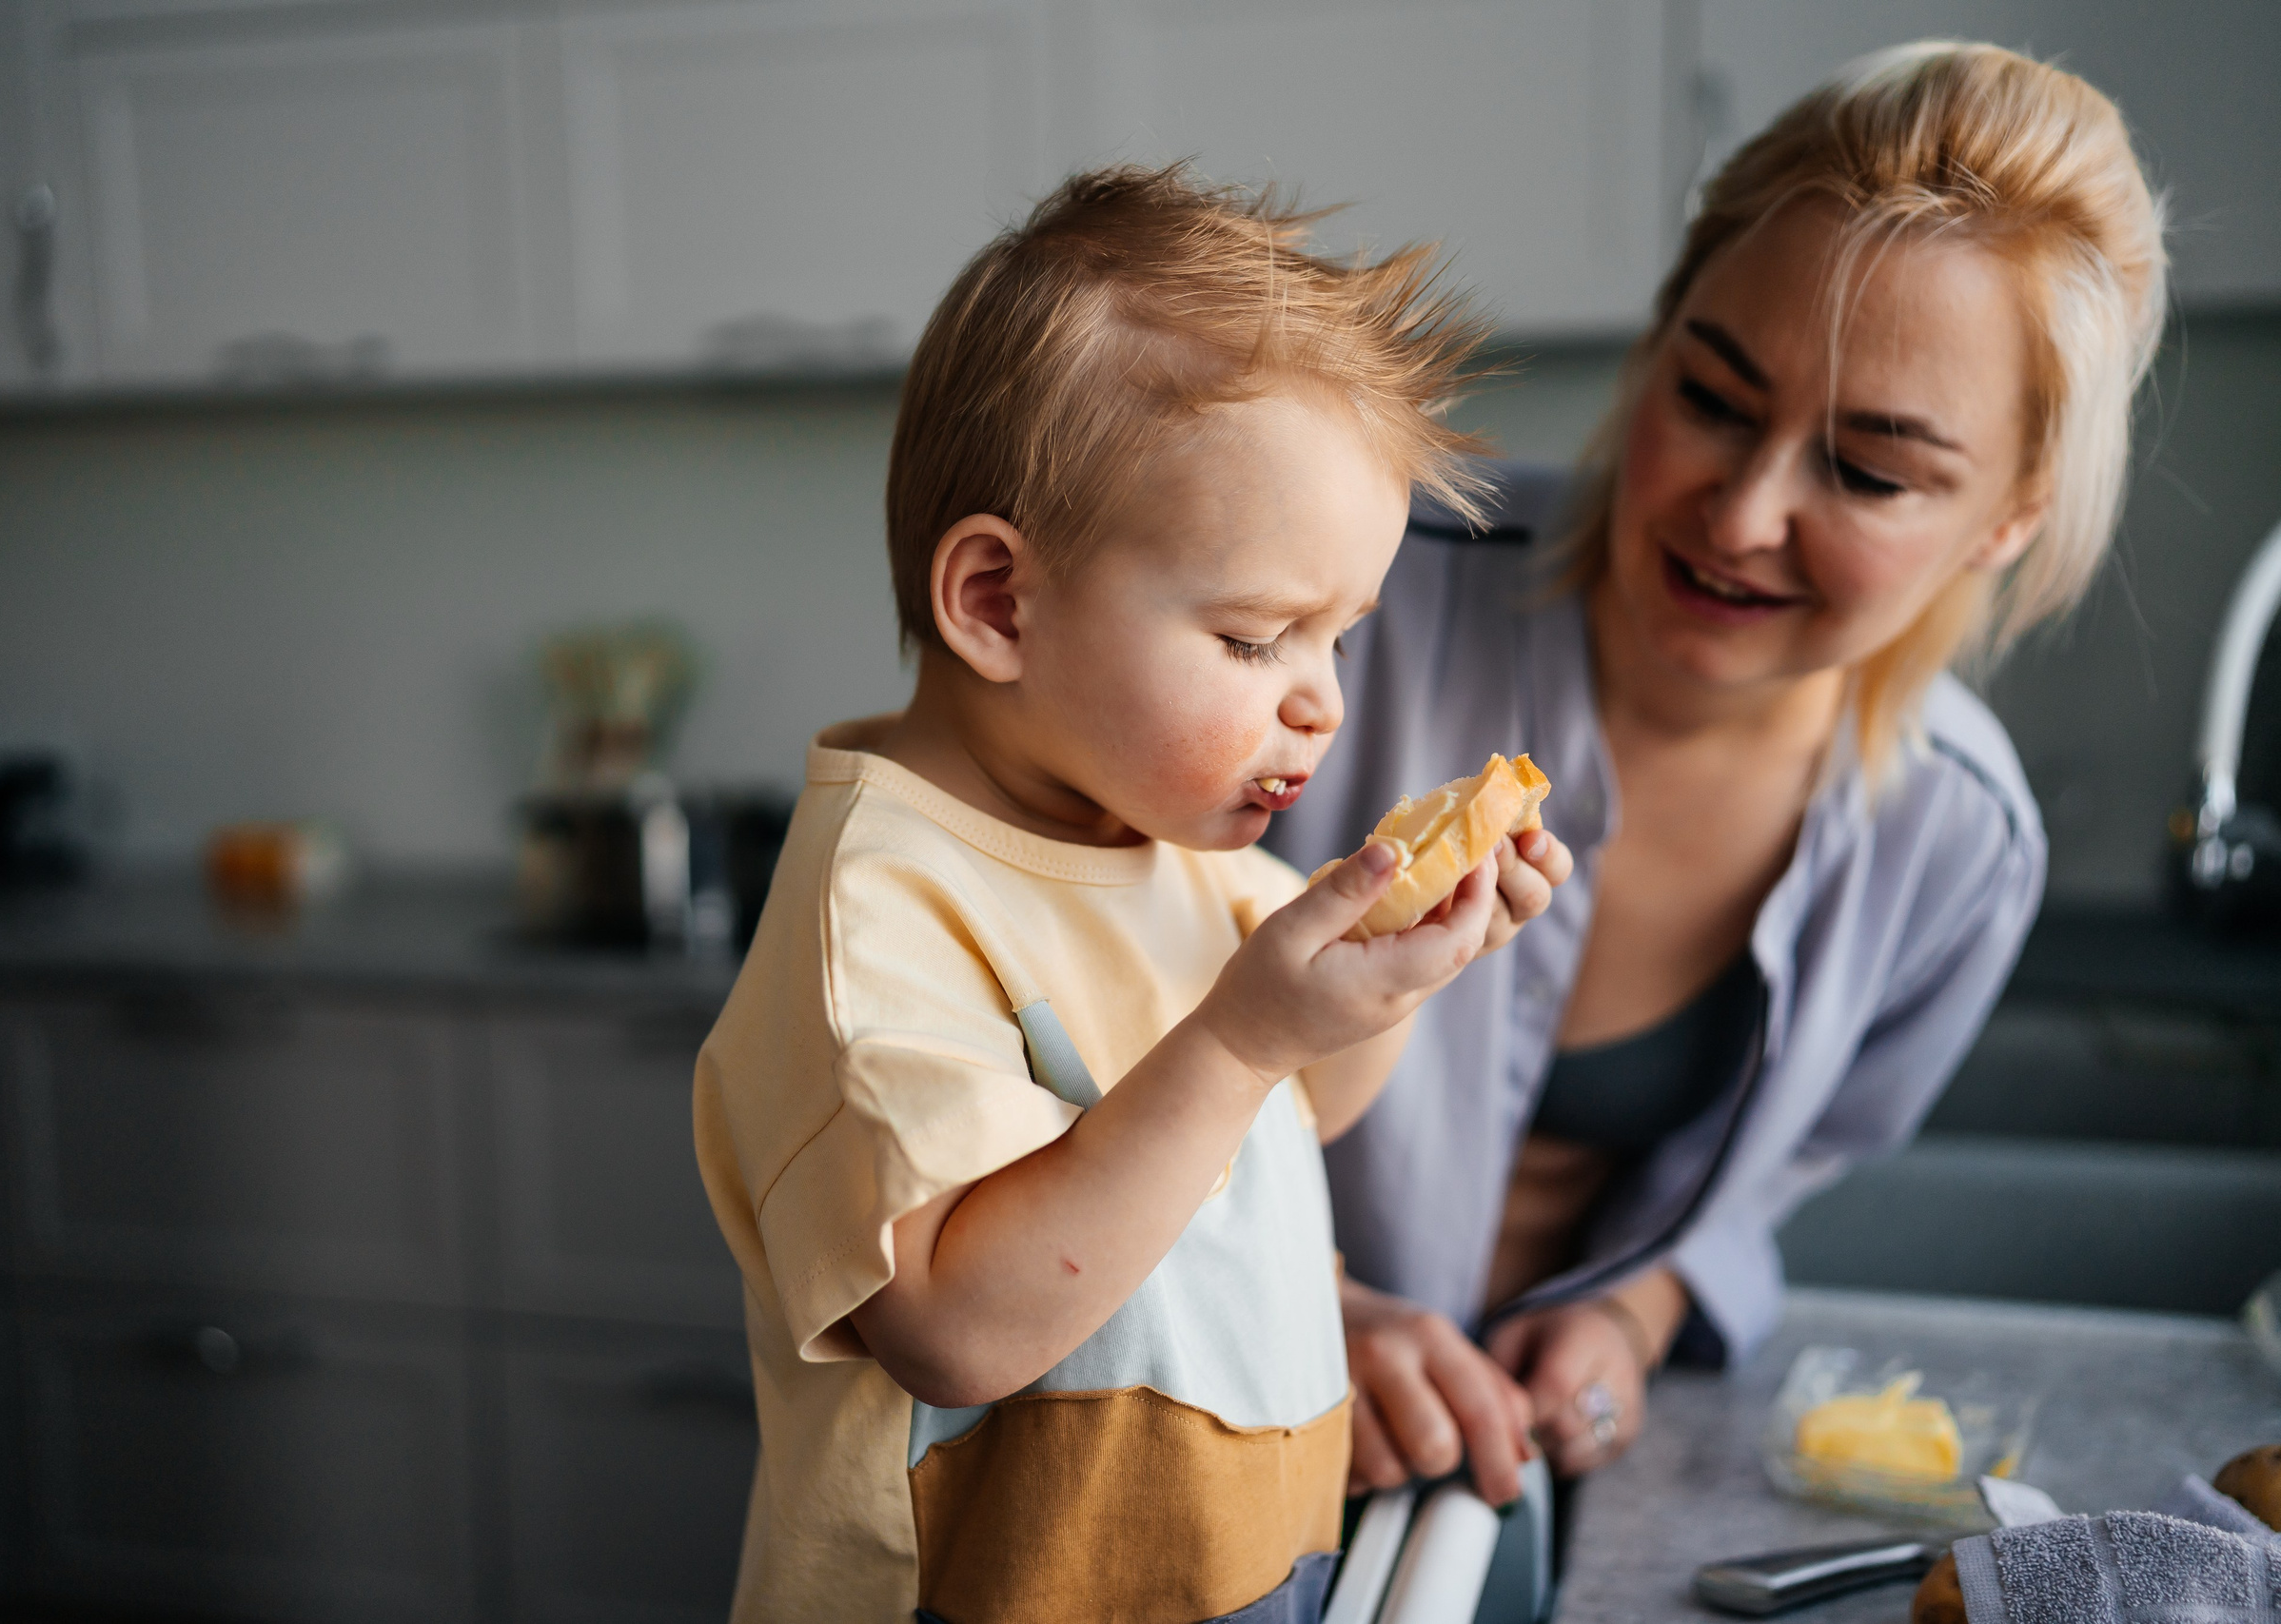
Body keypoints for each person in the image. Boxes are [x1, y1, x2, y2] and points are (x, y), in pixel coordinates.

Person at [1266, 40, 2172, 1504]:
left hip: (1504, 1499)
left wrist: (1635, 1310)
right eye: (1713, 398)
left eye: (1868, 472)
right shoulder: (1328, 599)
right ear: (1658, 337)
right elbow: (1023, 1021)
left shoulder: (1960, 842)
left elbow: (1774, 1175)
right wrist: (1297, 1297)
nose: (1743, 515)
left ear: (2013, 514)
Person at [694, 166, 1570, 1623]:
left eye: (1341, 637)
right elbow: (958, 1332)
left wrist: (1396, 970)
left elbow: (1294, 1114)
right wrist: (1240, 1037)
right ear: (998, 602)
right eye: (1257, 638)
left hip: (1239, 1565)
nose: (1322, 704)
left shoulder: (1167, 836)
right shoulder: (884, 913)